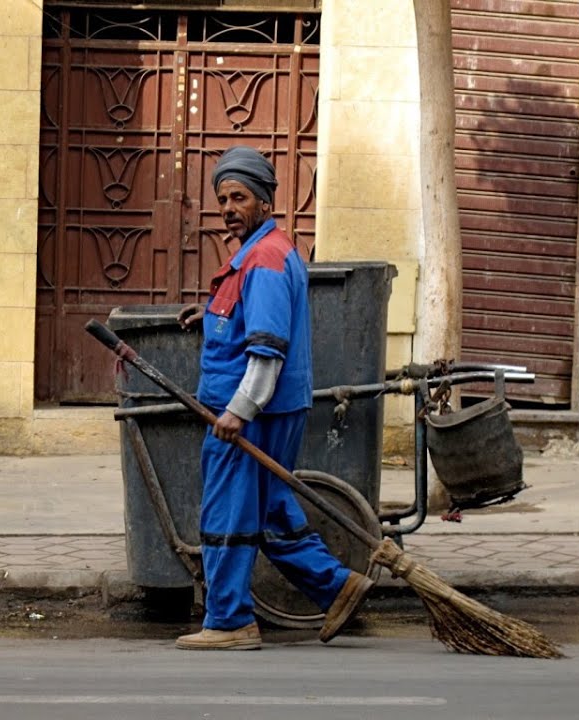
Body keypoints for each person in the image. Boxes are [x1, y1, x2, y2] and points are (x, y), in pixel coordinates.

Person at [173, 145, 373, 651]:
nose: (228, 208)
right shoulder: (267, 252)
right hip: (277, 409)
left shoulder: (263, 258)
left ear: (263, 201)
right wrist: (211, 314)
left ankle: (230, 622)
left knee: (228, 515)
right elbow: (250, 316)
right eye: (222, 199)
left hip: (250, 413)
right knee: (269, 512)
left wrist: (238, 413)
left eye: (239, 197)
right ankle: (338, 586)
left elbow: (267, 349)